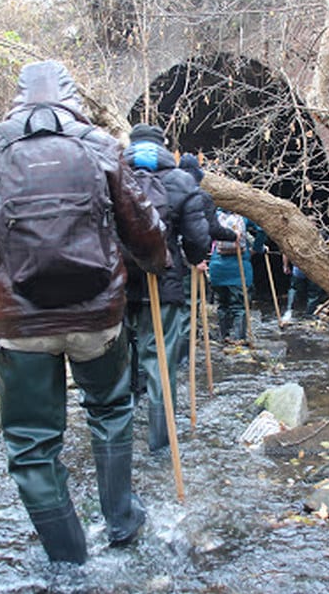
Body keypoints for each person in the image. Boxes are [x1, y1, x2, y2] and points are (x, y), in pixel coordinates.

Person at [0, 61, 167, 564]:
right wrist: (155, 263)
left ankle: (69, 560)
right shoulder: (101, 144)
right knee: (110, 412)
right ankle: (122, 524)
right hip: (97, 317)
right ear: (72, 96)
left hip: (22, 323)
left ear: (18, 98)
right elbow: (143, 226)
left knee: (31, 445)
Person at [122, 126, 212, 454]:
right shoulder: (181, 182)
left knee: (117, 365)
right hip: (164, 284)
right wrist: (194, 258)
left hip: (114, 288)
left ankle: (118, 442)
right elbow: (199, 240)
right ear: (164, 148)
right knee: (160, 365)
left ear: (130, 145)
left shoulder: (109, 175)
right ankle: (160, 446)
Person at [176, 153, 237, 365]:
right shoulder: (201, 197)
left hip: (165, 259)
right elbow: (208, 229)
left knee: (172, 309)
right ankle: (183, 358)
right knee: (188, 307)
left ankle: (168, 358)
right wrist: (232, 236)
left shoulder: (163, 189)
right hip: (189, 261)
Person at [208, 209, 266, 343]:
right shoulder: (245, 215)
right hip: (239, 268)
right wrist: (257, 248)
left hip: (217, 267)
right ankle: (239, 338)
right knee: (239, 306)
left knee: (222, 305)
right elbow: (262, 230)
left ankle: (224, 337)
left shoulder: (215, 215)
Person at [281, 254, 325, 323]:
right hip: (315, 269)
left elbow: (286, 252)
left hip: (299, 268)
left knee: (295, 290)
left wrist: (285, 265)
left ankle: (290, 312)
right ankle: (310, 315)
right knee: (314, 293)